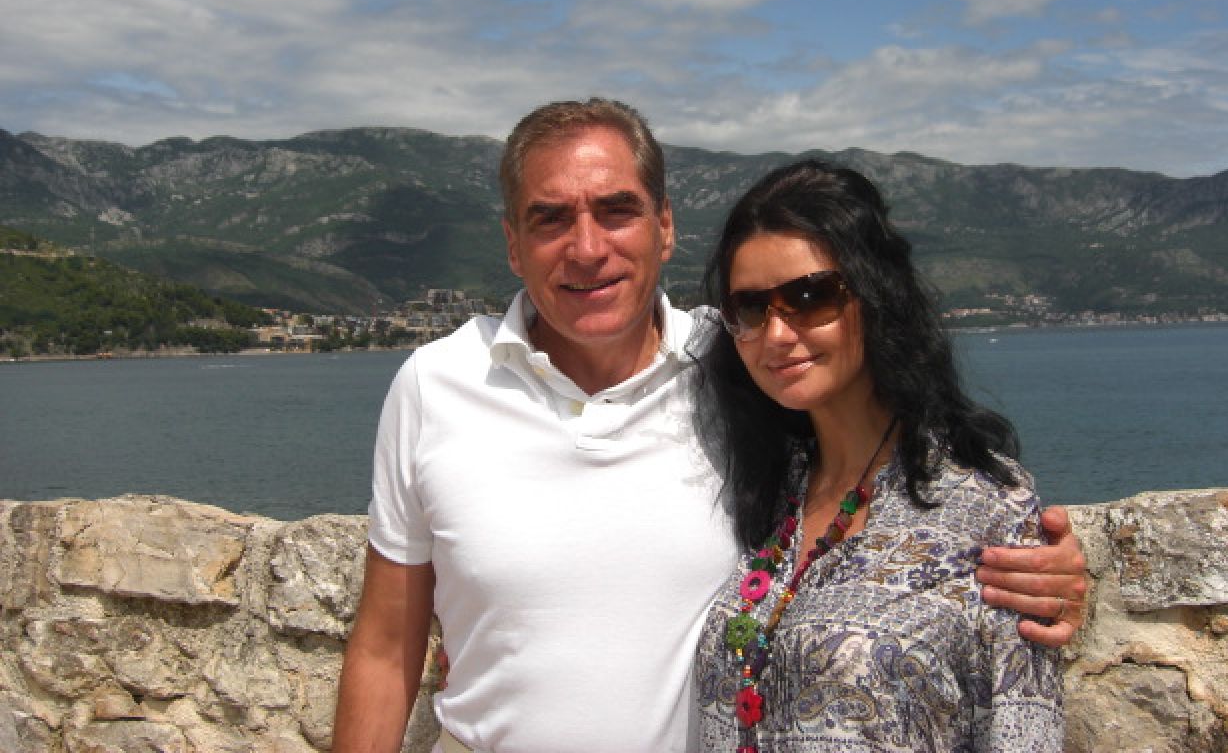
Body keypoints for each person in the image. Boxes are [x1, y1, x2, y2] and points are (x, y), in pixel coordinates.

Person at [332, 100, 1085, 753]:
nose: (587, 248)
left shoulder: (736, 365)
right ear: (512, 244)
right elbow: (385, 646)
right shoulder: (434, 385)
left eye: (617, 210)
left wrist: (1038, 564)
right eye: (551, 218)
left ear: (664, 226)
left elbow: (885, 471)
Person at [694, 159, 1063, 751]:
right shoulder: (772, 488)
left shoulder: (985, 506)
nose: (778, 334)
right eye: (752, 308)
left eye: (810, 296)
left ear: (875, 295)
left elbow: (1022, 725)